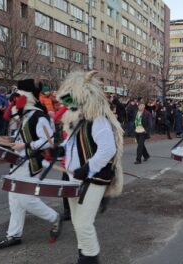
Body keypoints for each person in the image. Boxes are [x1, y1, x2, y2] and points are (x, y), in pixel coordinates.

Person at [55, 70, 124, 264]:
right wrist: (58, 151)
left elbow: (108, 149)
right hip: (75, 177)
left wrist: (88, 168)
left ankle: (90, 260)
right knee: (77, 222)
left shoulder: (99, 120)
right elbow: (71, 145)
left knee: (84, 224)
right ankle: (83, 256)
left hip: (93, 178)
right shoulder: (79, 121)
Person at [0, 79, 61, 249]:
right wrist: (11, 140)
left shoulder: (38, 116)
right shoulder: (25, 116)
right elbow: (23, 137)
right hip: (18, 161)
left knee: (25, 198)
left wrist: (26, 145)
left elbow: (48, 141)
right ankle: (14, 235)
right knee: (14, 198)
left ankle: (55, 218)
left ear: (25, 96)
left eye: (18, 94)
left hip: (31, 162)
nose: (15, 98)